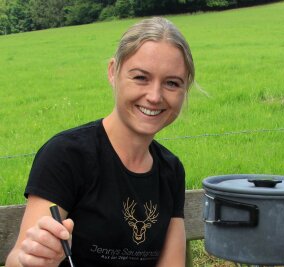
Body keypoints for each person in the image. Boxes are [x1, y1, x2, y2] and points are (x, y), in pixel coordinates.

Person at [6, 16, 195, 267]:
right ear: (112, 72)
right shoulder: (66, 155)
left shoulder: (171, 170)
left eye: (172, 83)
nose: (154, 96)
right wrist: (36, 258)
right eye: (140, 77)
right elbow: (18, 259)